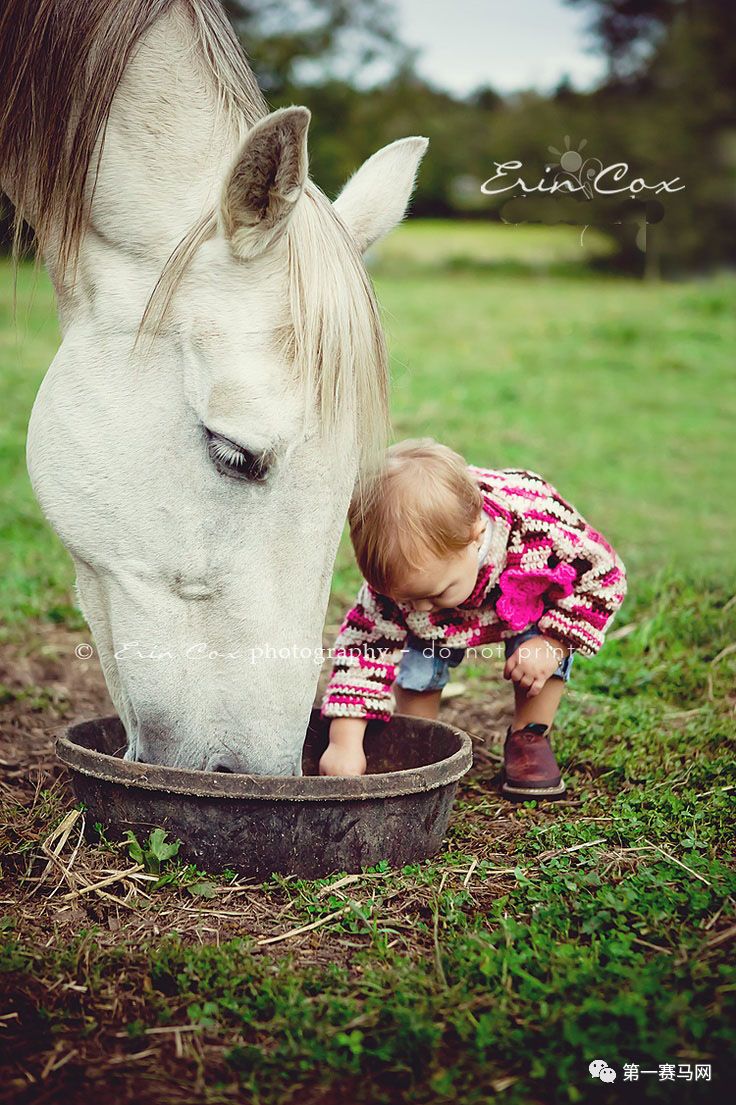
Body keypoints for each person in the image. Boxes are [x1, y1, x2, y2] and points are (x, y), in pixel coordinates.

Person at [319, 438, 627, 801]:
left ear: (475, 536)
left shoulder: (539, 527)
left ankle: (530, 734)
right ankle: (421, 736)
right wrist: (344, 740)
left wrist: (553, 643)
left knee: (538, 656)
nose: (421, 608)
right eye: (407, 599)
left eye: (435, 593)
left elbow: (603, 576)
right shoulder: (403, 583)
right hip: (438, 632)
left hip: (524, 602)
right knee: (418, 662)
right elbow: (364, 650)